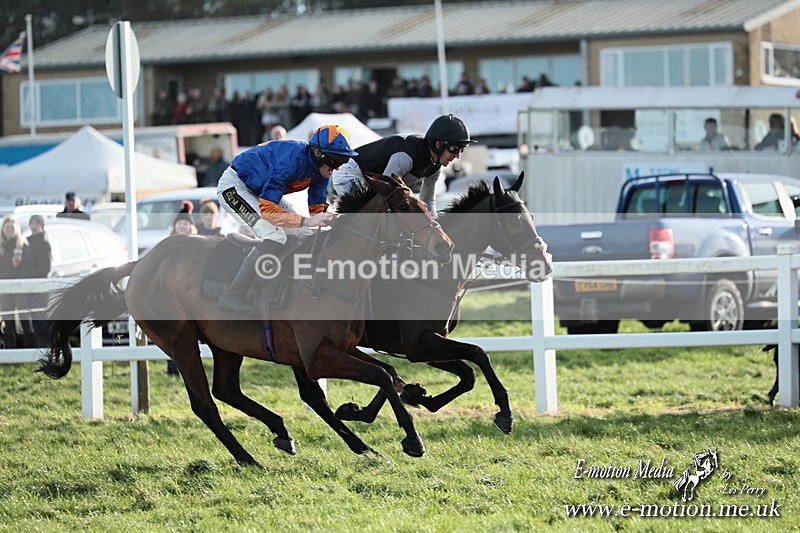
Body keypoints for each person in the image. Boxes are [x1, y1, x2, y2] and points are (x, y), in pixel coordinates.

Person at [215, 124, 358, 312]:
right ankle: (233, 295)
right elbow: (267, 210)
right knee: (275, 236)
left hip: (260, 192)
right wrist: (305, 220)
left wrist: (328, 218)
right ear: (318, 154)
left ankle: (286, 284)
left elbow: (315, 209)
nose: (337, 168)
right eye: (335, 162)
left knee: (306, 233)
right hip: (235, 187)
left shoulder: (321, 169)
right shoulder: (290, 160)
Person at [331, 114, 472, 213]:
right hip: (350, 171)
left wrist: (433, 226)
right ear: (438, 144)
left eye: (461, 150)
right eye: (454, 149)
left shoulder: (435, 167)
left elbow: (428, 199)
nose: (457, 156)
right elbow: (385, 193)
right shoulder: (406, 155)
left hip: (373, 182)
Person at [20, 214, 52, 347]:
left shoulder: (44, 244)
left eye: (37, 224)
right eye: (32, 224)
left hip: (38, 288)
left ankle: (46, 352)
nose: (33, 227)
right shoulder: (28, 244)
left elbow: (45, 268)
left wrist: (27, 276)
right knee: (35, 322)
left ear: (42, 227)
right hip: (29, 288)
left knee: (41, 323)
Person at [0, 215, 31, 349]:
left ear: (17, 229)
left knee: (26, 321)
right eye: (7, 227)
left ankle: (31, 351)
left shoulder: (22, 245)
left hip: (20, 287)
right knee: (9, 323)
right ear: (3, 230)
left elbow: (28, 267)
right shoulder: (1, 247)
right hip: (5, 289)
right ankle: (10, 353)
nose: (10, 229)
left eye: (12, 227)